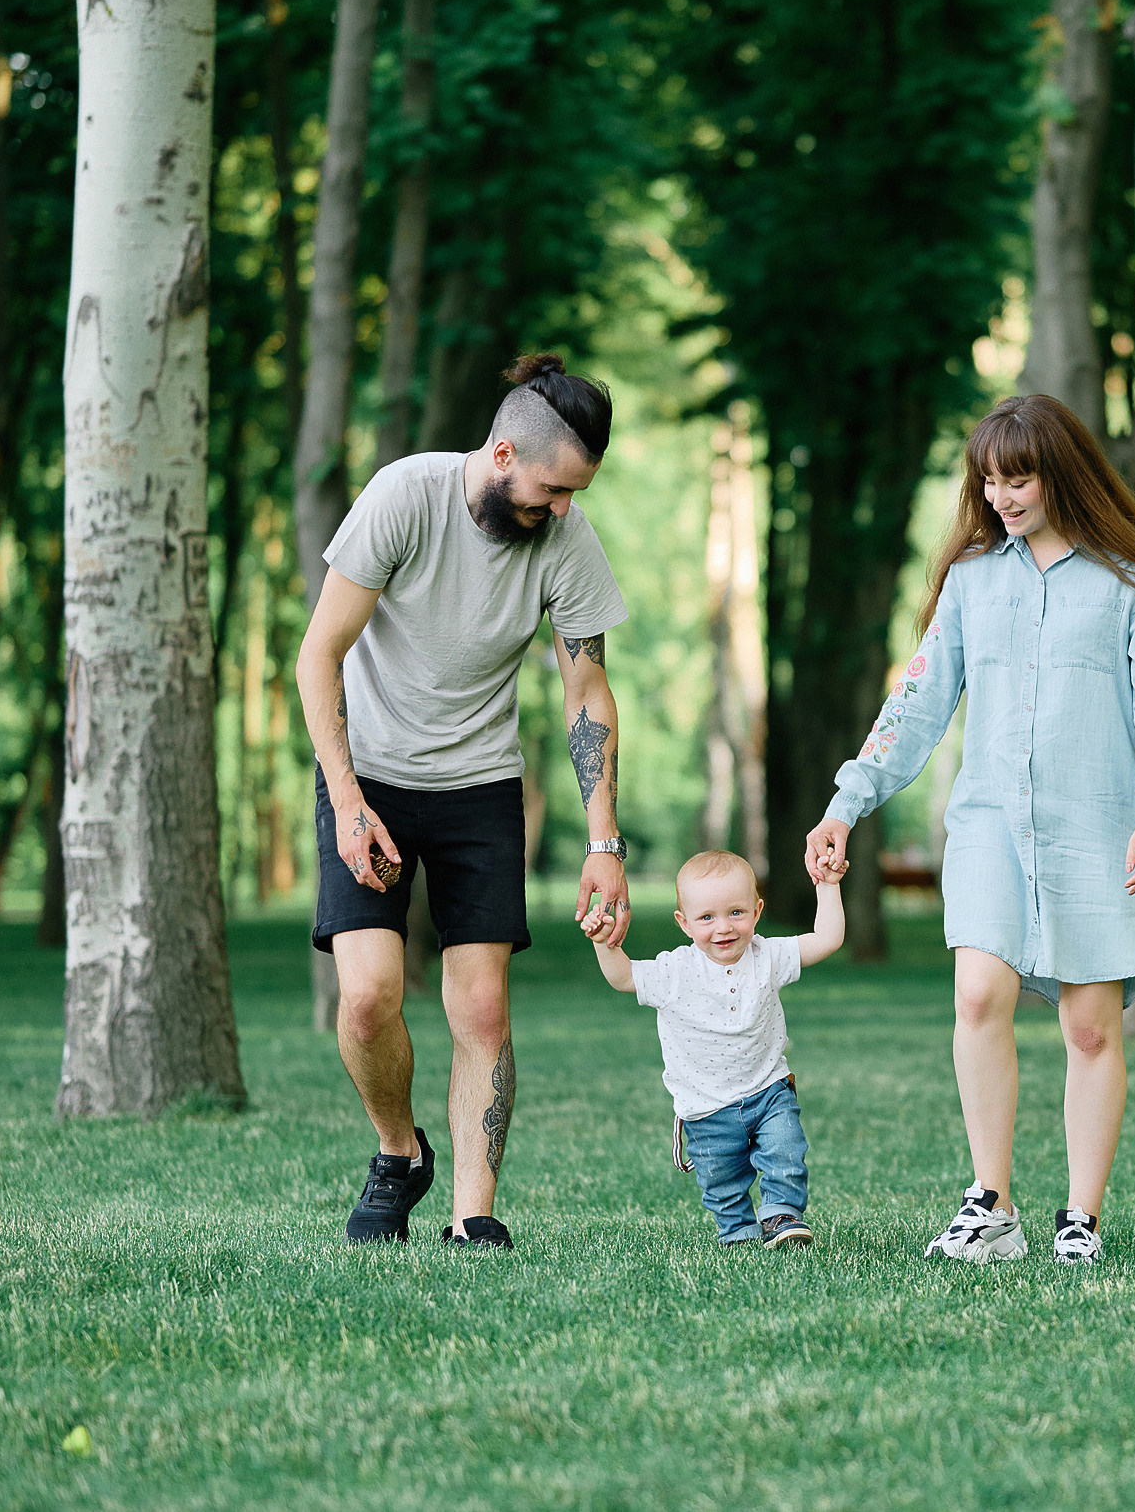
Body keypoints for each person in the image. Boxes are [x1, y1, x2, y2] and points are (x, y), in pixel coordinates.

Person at [805, 394, 1135, 1266]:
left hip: (1100, 830)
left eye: (1016, 478)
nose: (999, 496)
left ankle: (1080, 1217)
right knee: (978, 993)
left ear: (1061, 473)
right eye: (987, 480)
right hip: (987, 827)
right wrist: (847, 802)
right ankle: (993, 1204)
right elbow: (914, 705)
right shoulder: (973, 579)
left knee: (1090, 1028)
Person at [296, 353, 634, 1248]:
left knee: (482, 1009)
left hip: (480, 784)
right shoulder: (405, 497)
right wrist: (346, 799)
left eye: (573, 494)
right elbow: (316, 654)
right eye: (551, 489)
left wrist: (606, 841)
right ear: (501, 452)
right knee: (368, 997)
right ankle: (399, 1150)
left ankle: (471, 1214)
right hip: (364, 774)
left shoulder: (567, 539)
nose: (561, 508)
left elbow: (587, 692)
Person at [581, 850, 844, 1248]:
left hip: (769, 1088)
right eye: (707, 918)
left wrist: (828, 886)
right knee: (721, 1179)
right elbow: (623, 977)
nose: (724, 928)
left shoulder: (768, 956)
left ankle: (782, 1216)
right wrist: (604, 943)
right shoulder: (675, 971)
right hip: (706, 1105)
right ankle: (737, 1230)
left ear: (757, 911)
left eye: (736, 913)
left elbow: (827, 939)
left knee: (786, 1151)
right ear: (683, 923)